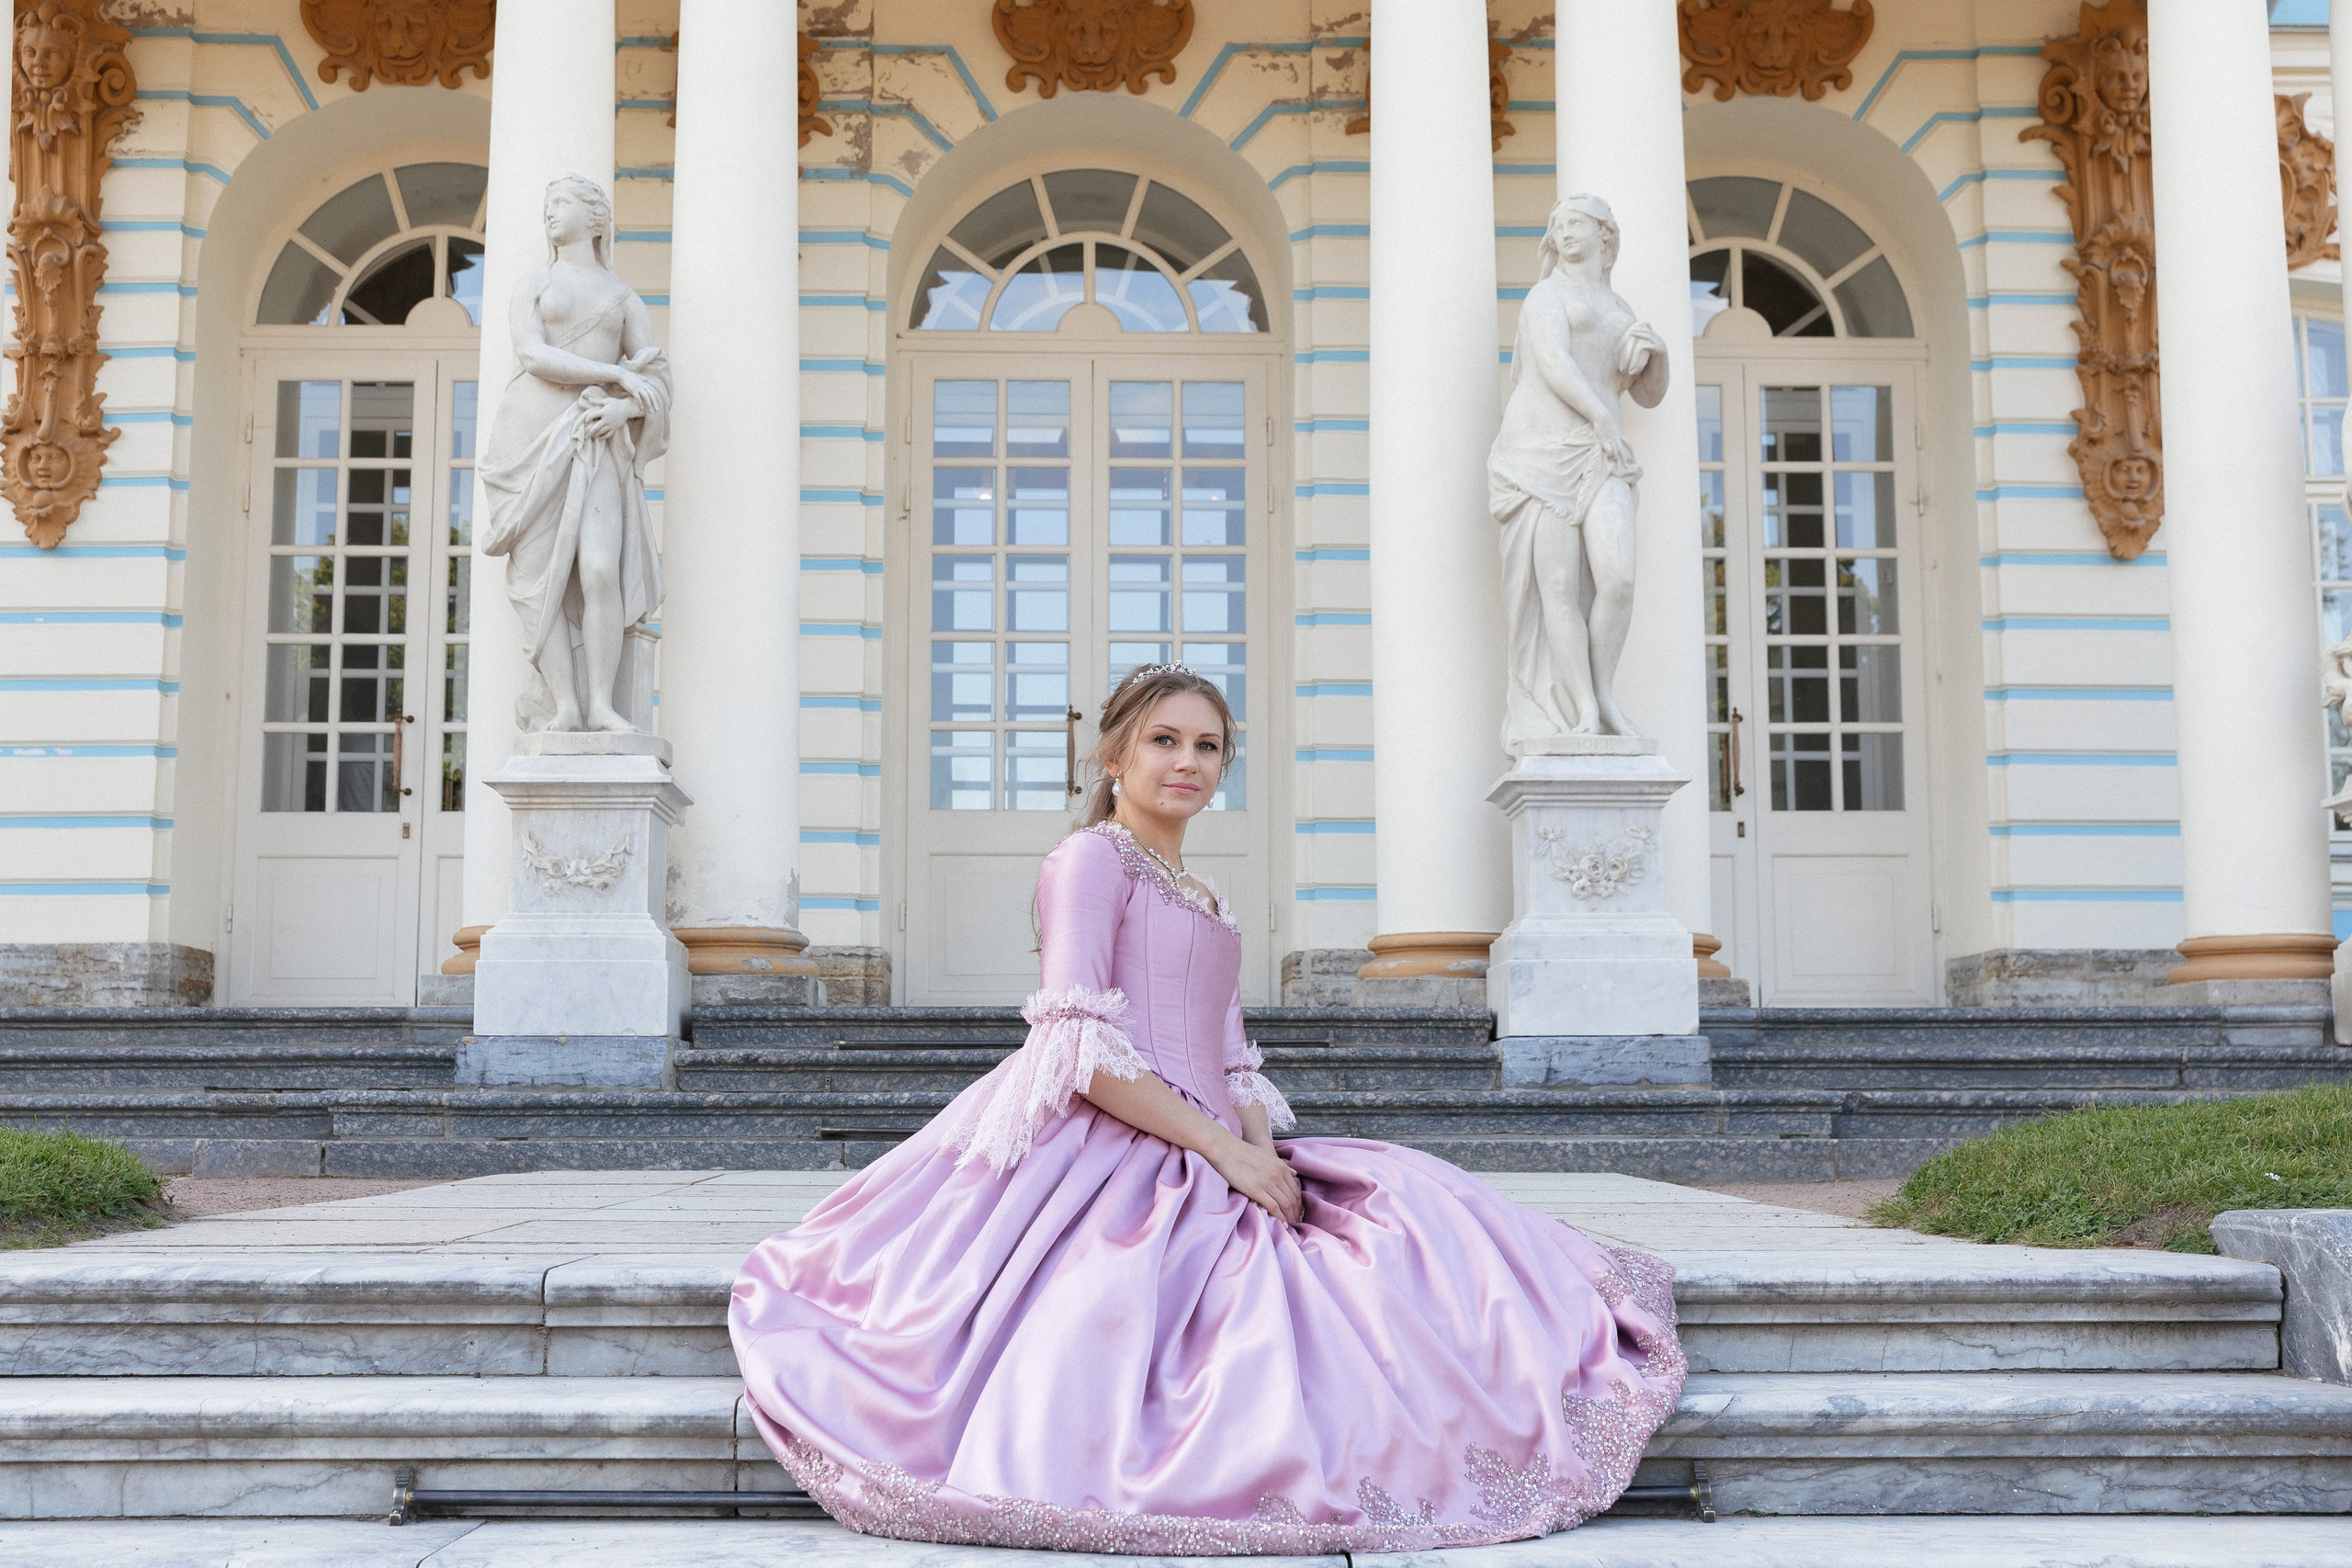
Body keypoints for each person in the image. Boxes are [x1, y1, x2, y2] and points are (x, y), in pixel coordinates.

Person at [730, 663, 1686, 1552]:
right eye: (1163, 741)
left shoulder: (1205, 890)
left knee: (1414, 1210)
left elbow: (1231, 1055)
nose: (1187, 762)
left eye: (1207, 746)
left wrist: (1260, 1151)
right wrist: (1220, 1157)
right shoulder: (1089, 862)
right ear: (1113, 757)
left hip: (1211, 1133)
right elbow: (1076, 1048)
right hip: (1108, 1132)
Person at [477, 175, 671, 735]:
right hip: (529, 440)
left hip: (595, 438)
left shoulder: (623, 298)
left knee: (600, 569)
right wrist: (613, 375)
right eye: (547, 205)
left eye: (561, 204)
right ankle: (565, 705)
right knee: (542, 582)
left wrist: (623, 412)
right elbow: (533, 354)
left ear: (596, 220)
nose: (550, 214)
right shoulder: (533, 284)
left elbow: (655, 380)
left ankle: (604, 705)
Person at [1489, 193, 1668, 746]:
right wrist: (1599, 415)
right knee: (1559, 590)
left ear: (1604, 235)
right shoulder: (1546, 295)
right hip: (1540, 453)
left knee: (1618, 579)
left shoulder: (1620, 309)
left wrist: (1656, 353)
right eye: (1558, 226)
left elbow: (1648, 394)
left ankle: (1605, 691)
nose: (1565, 233)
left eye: (1576, 224)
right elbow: (1552, 361)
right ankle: (1583, 711)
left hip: (1600, 454)